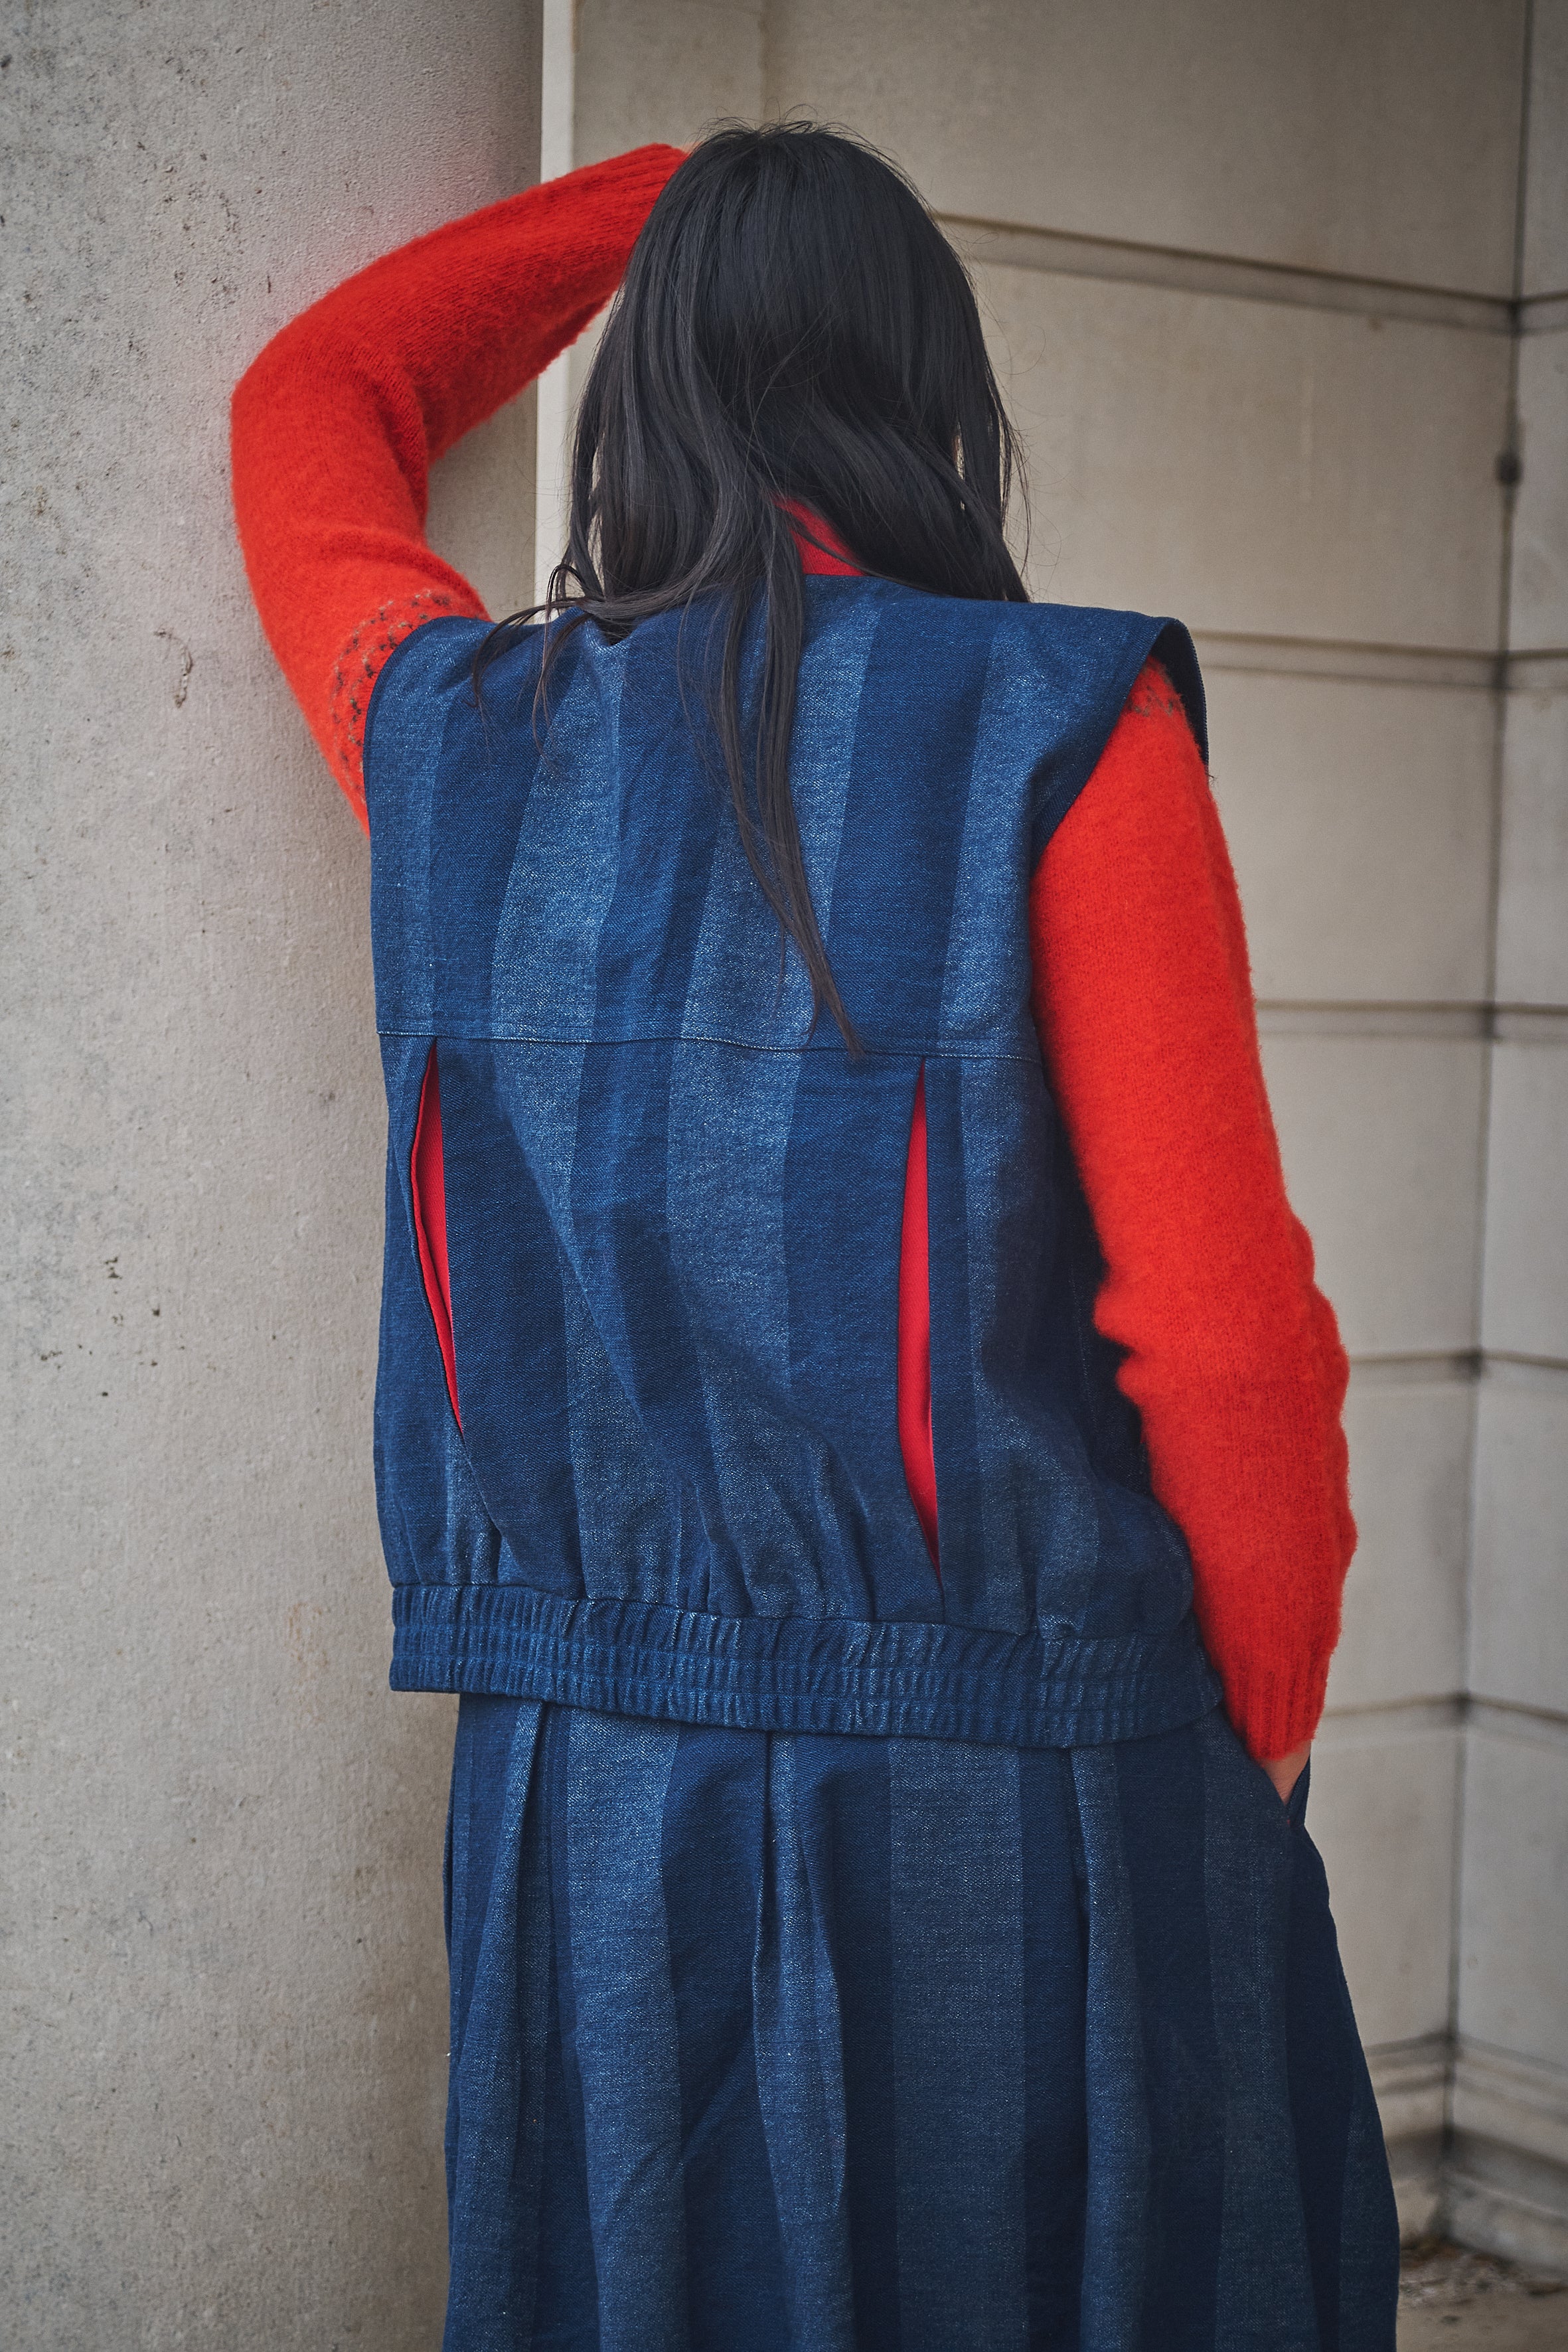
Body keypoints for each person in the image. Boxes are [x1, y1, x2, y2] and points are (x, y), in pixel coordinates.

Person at [232, 121, 1399, 2352]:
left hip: (594, 1797)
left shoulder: (451, 735)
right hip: (1019, 1779)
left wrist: (640, 207)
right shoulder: (1066, 719)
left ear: (648, 384)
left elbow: (314, 402)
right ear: (926, 394)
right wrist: (1253, 1738)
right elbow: (1227, 1332)